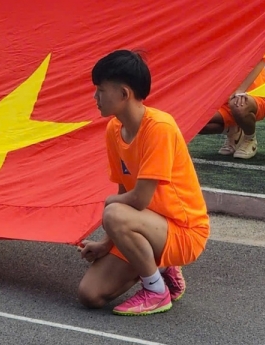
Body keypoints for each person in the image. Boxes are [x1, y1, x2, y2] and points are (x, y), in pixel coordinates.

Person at [77, 51, 209, 316]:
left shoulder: (159, 127)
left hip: (184, 233)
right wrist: (106, 243)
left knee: (113, 209)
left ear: (124, 94)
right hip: (146, 226)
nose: (95, 97)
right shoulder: (114, 129)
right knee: (89, 295)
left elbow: (138, 200)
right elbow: (125, 191)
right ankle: (161, 267)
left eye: (101, 90)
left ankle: (156, 290)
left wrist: (110, 204)